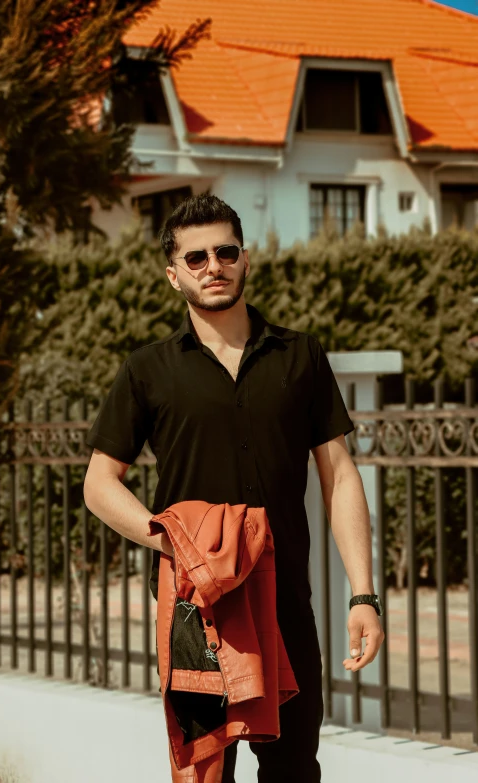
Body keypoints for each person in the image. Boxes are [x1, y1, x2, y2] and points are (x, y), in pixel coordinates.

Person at [83, 193, 385, 782]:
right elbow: (99, 483)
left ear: (246, 260)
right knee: (203, 775)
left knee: (294, 769)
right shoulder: (148, 369)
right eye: (195, 258)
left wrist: (364, 594)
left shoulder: (300, 356)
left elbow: (340, 475)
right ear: (174, 275)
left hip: (285, 607)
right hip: (198, 613)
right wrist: (173, 543)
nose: (212, 266)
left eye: (225, 252)